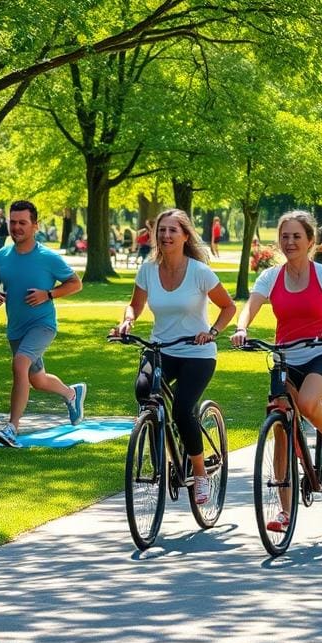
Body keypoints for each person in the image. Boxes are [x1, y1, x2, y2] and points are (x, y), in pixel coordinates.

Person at [230, 210, 322, 532]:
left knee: (308, 404)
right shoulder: (270, 277)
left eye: (296, 236)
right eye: (285, 236)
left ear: (310, 241)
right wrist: (241, 328)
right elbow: (251, 305)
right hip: (285, 357)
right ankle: (284, 512)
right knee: (280, 429)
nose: (290, 242)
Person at [115, 210, 236, 504]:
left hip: (197, 352)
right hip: (160, 348)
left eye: (172, 230)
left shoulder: (199, 272)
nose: (166, 236)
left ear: (185, 236)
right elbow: (135, 305)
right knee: (144, 391)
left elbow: (228, 308)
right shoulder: (147, 269)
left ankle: (199, 472)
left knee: (182, 410)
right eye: (161, 230)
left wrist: (213, 331)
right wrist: (127, 321)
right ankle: (160, 449)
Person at [0, 200, 86, 448]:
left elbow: (75, 283)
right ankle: (71, 394)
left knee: (19, 364)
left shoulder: (48, 257)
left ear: (35, 226)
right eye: (13, 222)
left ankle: (11, 428)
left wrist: (48, 294)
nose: (16, 227)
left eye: (22, 223)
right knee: (36, 380)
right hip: (16, 328)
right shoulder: (2, 257)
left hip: (42, 325)